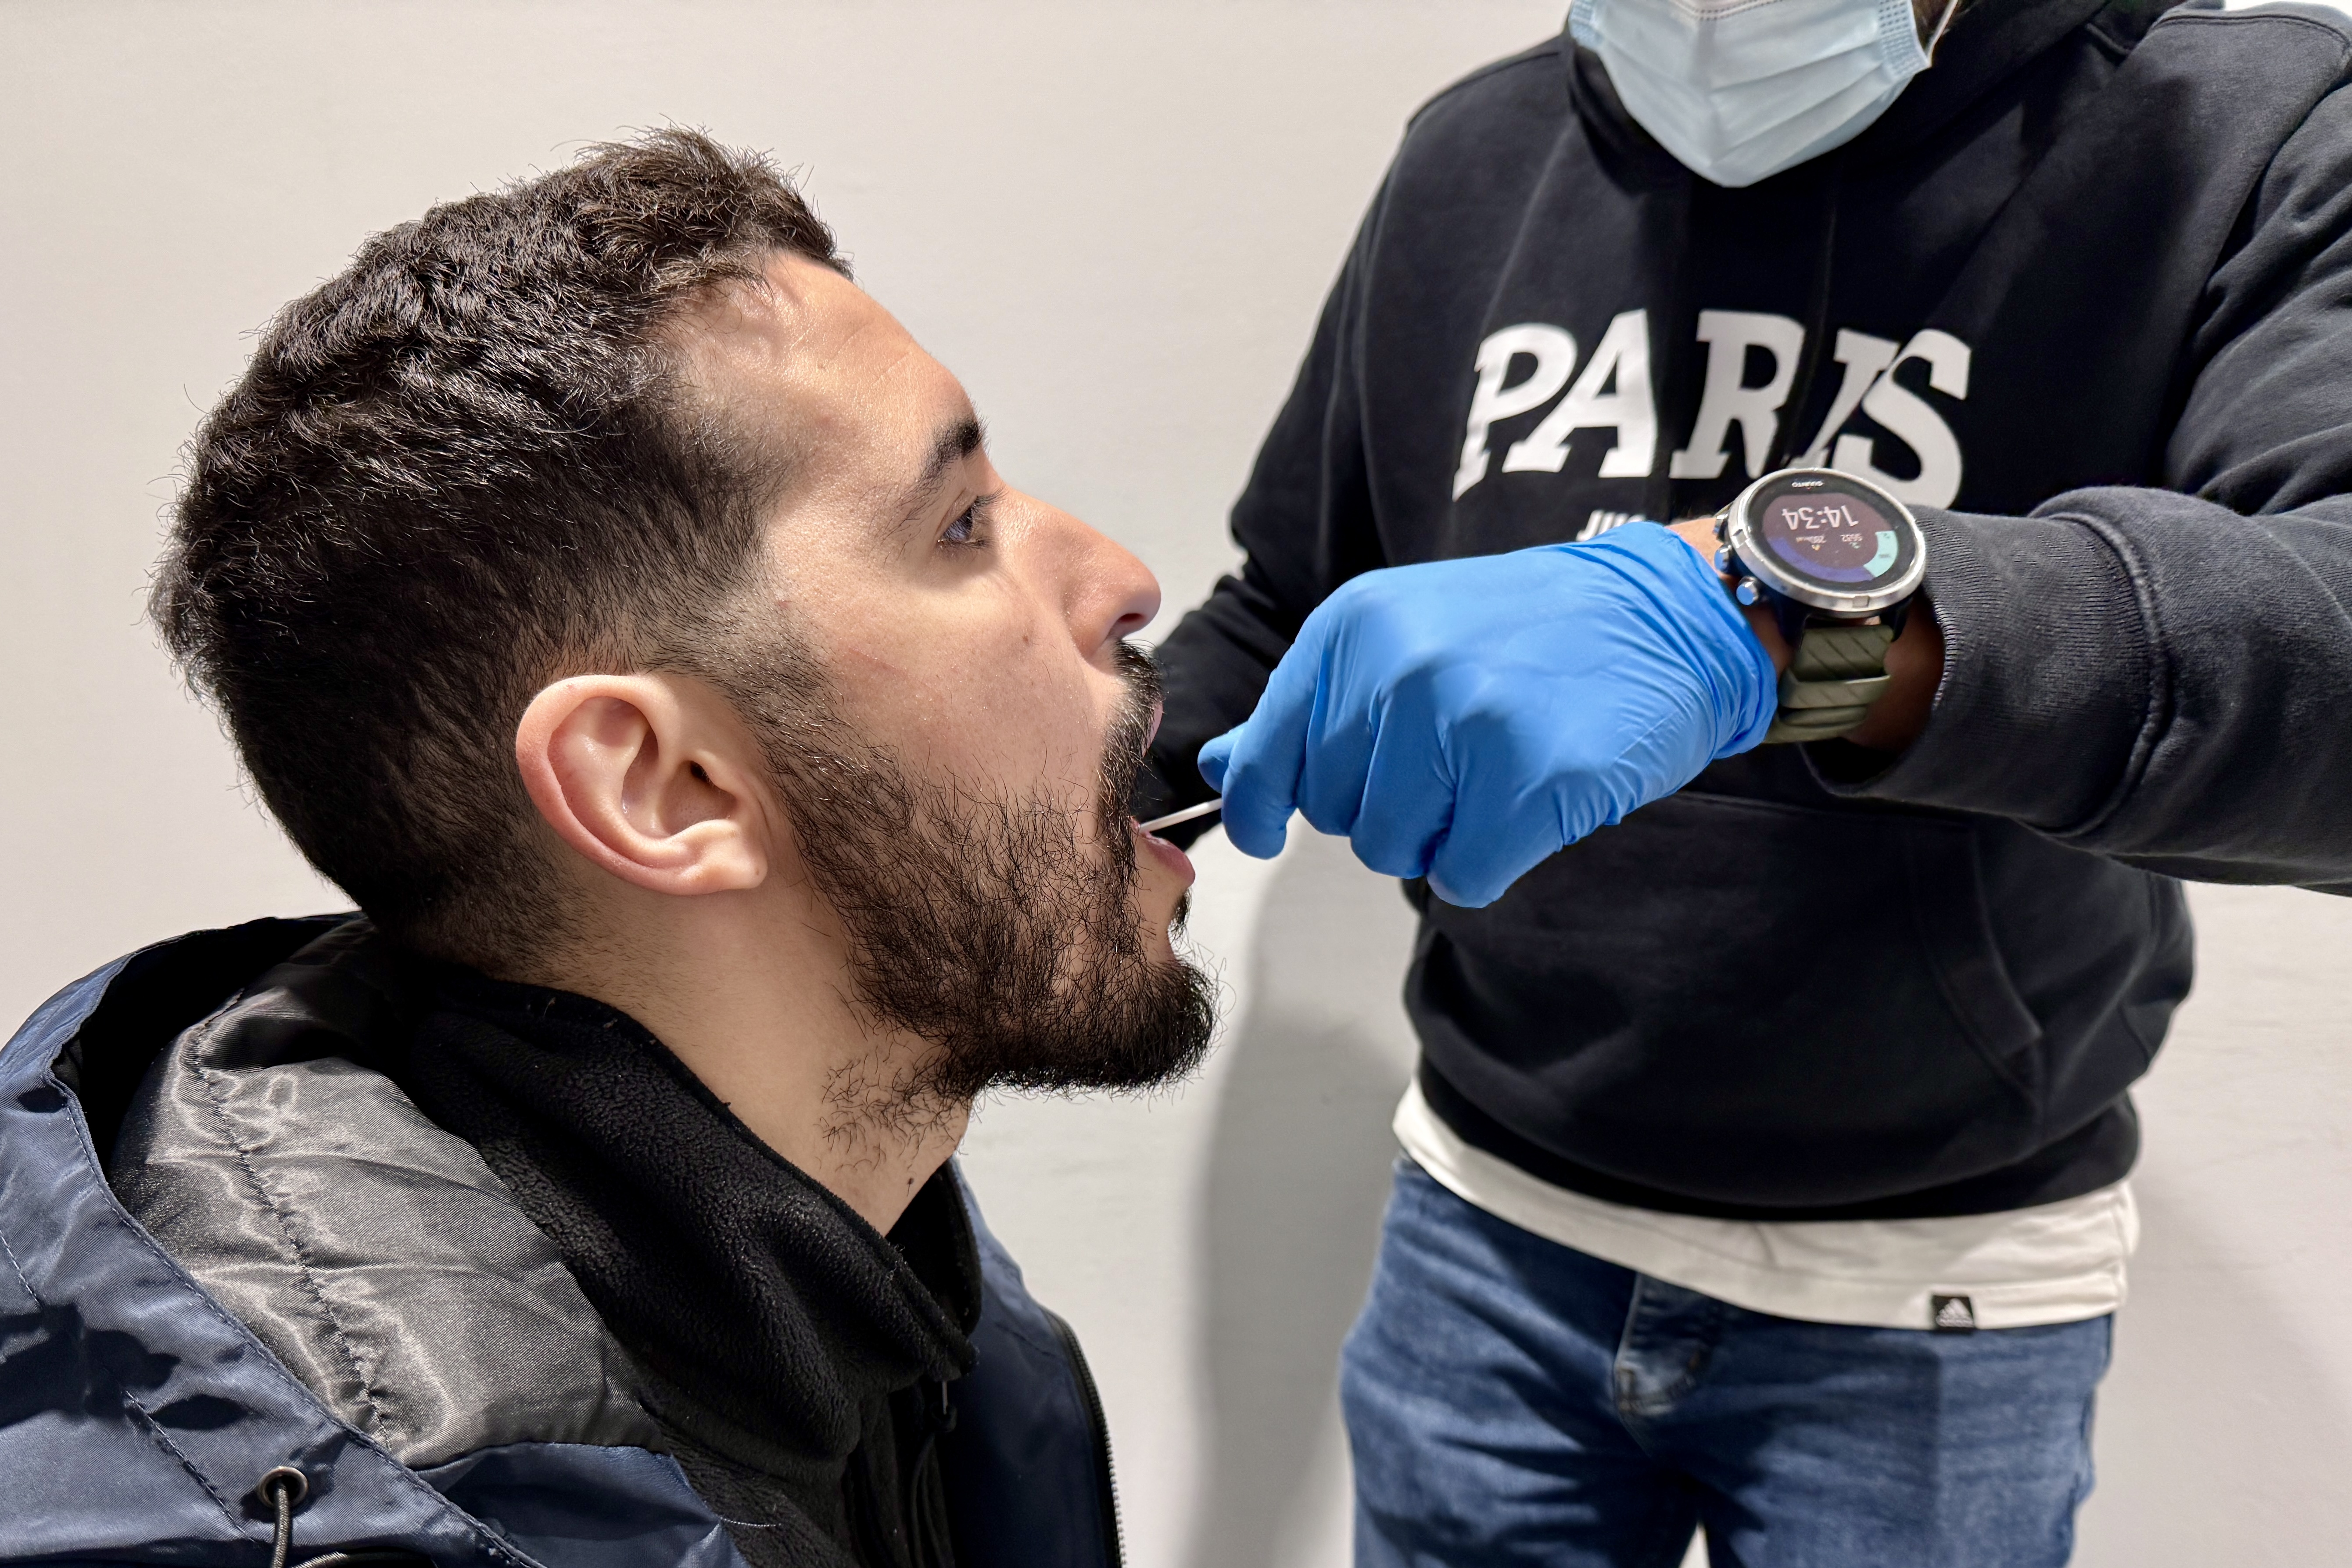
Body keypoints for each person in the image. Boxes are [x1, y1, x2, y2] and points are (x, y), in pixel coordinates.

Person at [1137, 0, 2352, 1563]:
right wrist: (1053, 780)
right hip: (1487, 1226)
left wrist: (1779, 631)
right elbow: (1289, 601)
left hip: (1931, 1288)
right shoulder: (1474, 155)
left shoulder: (2232, 129)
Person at [0, 130, 1215, 1568]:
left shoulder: (875, 1292)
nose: (1124, 582)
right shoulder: (375, 1533)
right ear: (661, 787)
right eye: (960, 526)